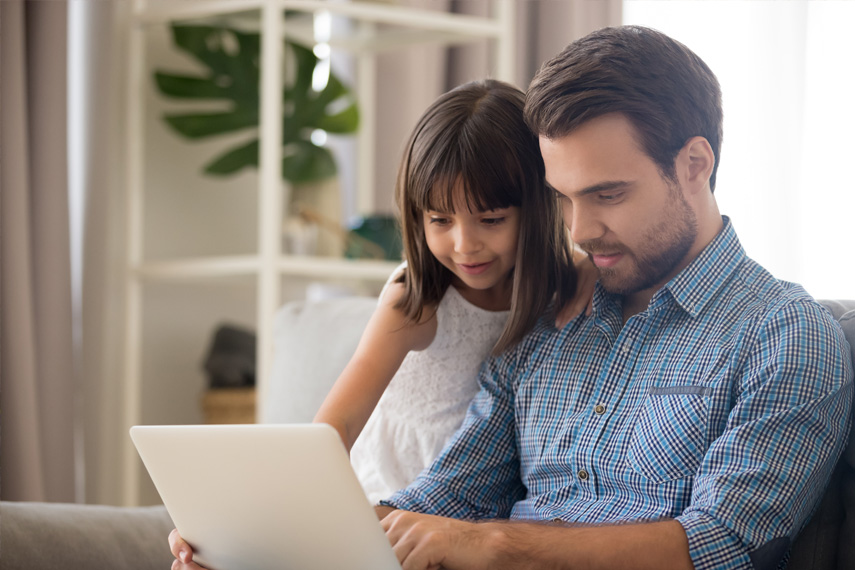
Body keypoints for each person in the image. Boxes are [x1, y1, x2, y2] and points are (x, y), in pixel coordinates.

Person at [171, 27, 853, 570]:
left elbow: (721, 546)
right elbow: (449, 498)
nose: (580, 231)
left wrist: (495, 546)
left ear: (694, 165)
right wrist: (260, 544)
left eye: (606, 194)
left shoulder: (783, 335)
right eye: (562, 199)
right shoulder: (548, 325)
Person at [312, 79, 578, 503]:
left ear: (538, 209)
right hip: (390, 495)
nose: (464, 245)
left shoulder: (567, 284)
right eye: (440, 220)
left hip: (487, 502)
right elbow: (335, 427)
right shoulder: (415, 302)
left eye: (490, 220)